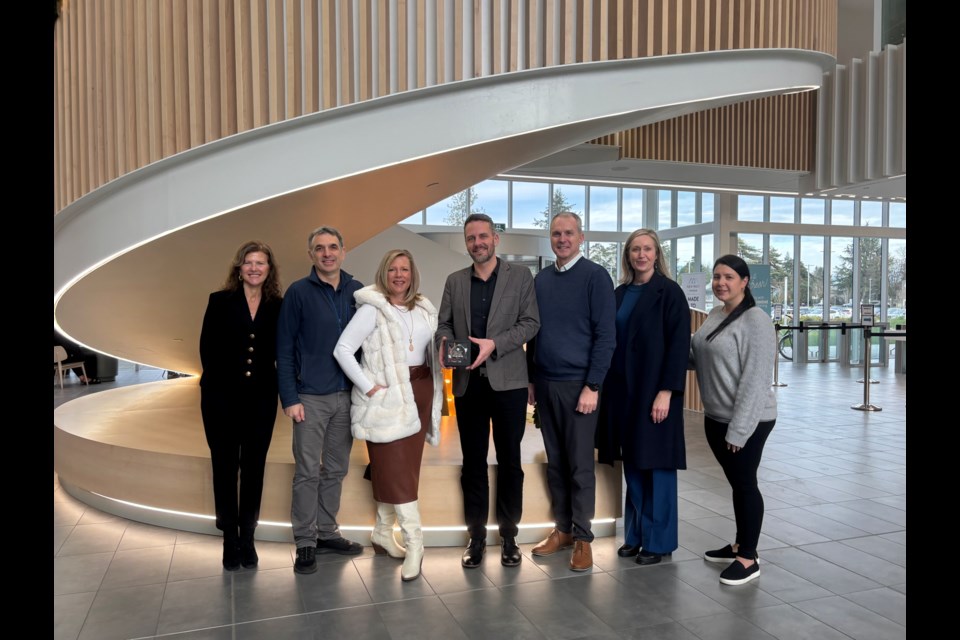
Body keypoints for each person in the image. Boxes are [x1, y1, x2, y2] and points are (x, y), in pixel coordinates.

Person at [435, 213, 540, 569]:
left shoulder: (521, 276)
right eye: (470, 238)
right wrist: (444, 345)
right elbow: (444, 324)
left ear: (496, 239)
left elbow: (530, 323)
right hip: (468, 385)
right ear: (466, 243)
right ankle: (476, 536)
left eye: (483, 236)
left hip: (508, 383)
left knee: (511, 461)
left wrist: (493, 344)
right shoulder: (454, 281)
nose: (477, 243)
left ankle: (509, 536)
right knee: (473, 463)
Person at [334, 249, 443, 582]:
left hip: (421, 391)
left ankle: (382, 531)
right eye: (393, 269)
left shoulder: (425, 308)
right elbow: (342, 349)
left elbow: (432, 349)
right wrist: (369, 387)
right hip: (387, 398)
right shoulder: (372, 308)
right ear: (384, 273)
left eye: (405, 269)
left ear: (412, 274)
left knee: (403, 468)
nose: (399, 275)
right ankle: (415, 544)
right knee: (396, 470)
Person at [526, 212, 616, 572]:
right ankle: (562, 530)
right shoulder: (542, 280)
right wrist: (532, 378)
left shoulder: (596, 277)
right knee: (556, 464)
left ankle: (583, 538)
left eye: (568, 233)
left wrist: (592, 385)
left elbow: (606, 337)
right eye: (556, 233)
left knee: (579, 466)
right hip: (546, 385)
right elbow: (534, 333)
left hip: (581, 387)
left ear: (581, 238)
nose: (561, 239)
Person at [597, 229, 690, 566]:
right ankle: (635, 535)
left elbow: (679, 347)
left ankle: (659, 540)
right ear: (628, 255)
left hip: (655, 392)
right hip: (623, 394)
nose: (641, 255)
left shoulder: (670, 293)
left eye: (647, 249)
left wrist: (666, 392)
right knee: (634, 464)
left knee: (657, 467)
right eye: (635, 249)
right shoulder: (619, 294)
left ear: (656, 254)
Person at [277, 227, 365, 575]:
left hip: (346, 398)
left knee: (337, 470)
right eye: (319, 248)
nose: (327, 253)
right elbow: (283, 350)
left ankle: (327, 532)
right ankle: (305, 541)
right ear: (311, 254)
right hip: (309, 399)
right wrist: (290, 397)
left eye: (333, 247)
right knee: (307, 472)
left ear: (343, 251)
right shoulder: (298, 293)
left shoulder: (358, 292)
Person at [690, 255, 777, 586]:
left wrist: (740, 431)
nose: (720, 283)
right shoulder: (716, 314)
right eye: (716, 277)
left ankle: (749, 557)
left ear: (744, 282)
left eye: (728, 277)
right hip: (716, 416)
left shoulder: (756, 320)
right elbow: (699, 354)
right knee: (737, 483)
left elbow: (756, 381)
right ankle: (740, 543)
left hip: (749, 421)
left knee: (744, 484)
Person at [199, 241, 283, 570]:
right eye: (248, 262)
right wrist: (225, 392)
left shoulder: (278, 304)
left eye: (260, 263)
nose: (254, 268)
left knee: (253, 469)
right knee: (224, 468)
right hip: (221, 399)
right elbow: (207, 350)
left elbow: (283, 349)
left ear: (269, 269)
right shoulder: (219, 301)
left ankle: (247, 537)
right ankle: (228, 539)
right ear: (239, 267)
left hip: (261, 401)